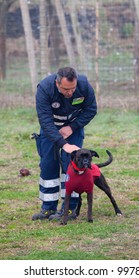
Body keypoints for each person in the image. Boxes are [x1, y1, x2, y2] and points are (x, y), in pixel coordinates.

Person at [32, 67, 97, 221]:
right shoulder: (44, 89)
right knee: (48, 164)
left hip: (73, 128)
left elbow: (91, 109)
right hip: (51, 129)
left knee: (72, 166)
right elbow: (45, 120)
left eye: (73, 89)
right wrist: (62, 143)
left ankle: (69, 209)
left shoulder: (84, 86)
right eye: (66, 89)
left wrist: (72, 127)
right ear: (57, 83)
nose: (70, 93)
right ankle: (48, 208)